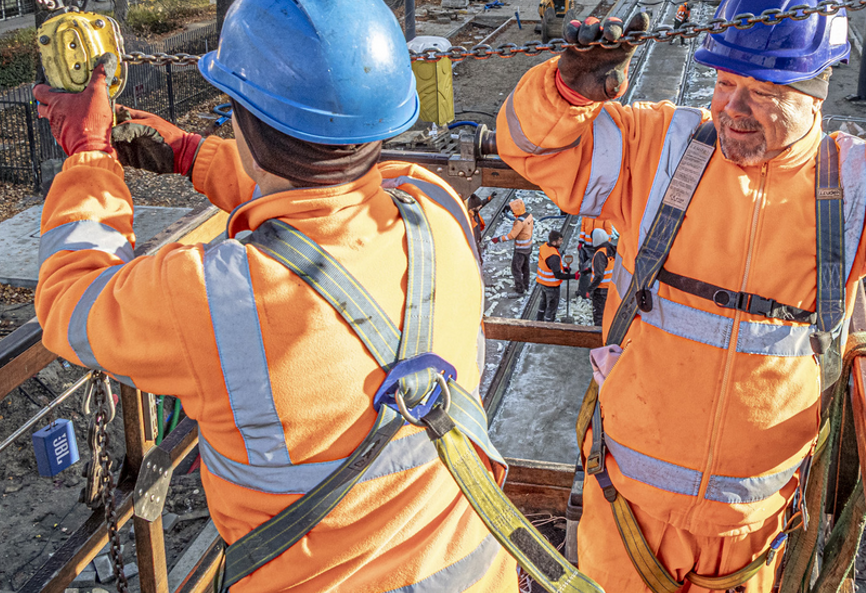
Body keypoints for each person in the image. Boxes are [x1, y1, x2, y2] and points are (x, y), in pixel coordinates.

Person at [31, 0, 518, 591]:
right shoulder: (436, 209)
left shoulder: (213, 297)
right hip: (477, 570)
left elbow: (69, 299)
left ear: (243, 120)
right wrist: (189, 153)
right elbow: (327, 199)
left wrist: (88, 155)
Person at [496, 0, 866, 590]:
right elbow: (532, 146)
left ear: (815, 93)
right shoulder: (657, 148)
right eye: (725, 81)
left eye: (762, 92)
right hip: (627, 505)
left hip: (753, 532)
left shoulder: (861, 185)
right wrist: (565, 90)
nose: (732, 108)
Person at [490, 198, 534, 295]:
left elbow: (512, 235)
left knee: (516, 268)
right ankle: (526, 285)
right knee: (525, 268)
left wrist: (498, 239)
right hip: (528, 247)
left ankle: (520, 289)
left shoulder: (519, 222)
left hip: (520, 249)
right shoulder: (529, 216)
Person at [536, 230, 579, 322]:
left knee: (543, 303)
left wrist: (564, 268)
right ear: (554, 242)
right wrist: (573, 276)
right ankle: (549, 325)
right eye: (560, 240)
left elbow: (549, 265)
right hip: (552, 286)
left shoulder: (544, 248)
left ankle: (538, 321)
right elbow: (558, 275)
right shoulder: (553, 256)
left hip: (543, 283)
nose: (561, 242)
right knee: (551, 308)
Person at [577, 216, 615, 298]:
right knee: (584, 268)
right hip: (588, 245)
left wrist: (605, 245)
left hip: (598, 246)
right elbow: (583, 226)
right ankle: (582, 290)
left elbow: (608, 230)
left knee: (597, 268)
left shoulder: (605, 216)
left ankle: (590, 290)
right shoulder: (587, 214)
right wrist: (581, 240)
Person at [587, 228, 615, 327]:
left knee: (599, 315)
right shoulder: (610, 249)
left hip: (601, 290)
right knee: (609, 314)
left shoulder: (600, 254)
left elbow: (599, 275)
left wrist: (590, 289)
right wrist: (590, 270)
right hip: (611, 288)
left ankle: (599, 335)